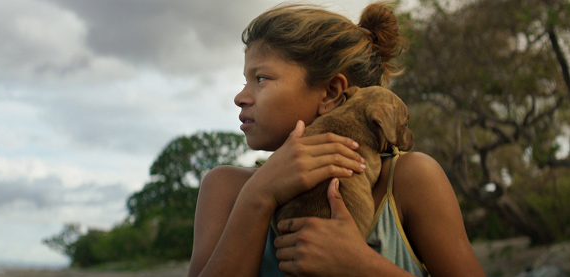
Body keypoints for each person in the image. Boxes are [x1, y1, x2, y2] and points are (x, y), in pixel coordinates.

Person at [188, 2, 485, 276]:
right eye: (245, 80)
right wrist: (258, 196)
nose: (240, 97)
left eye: (261, 79)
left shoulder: (409, 180)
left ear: (331, 92)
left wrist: (363, 267)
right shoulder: (226, 190)